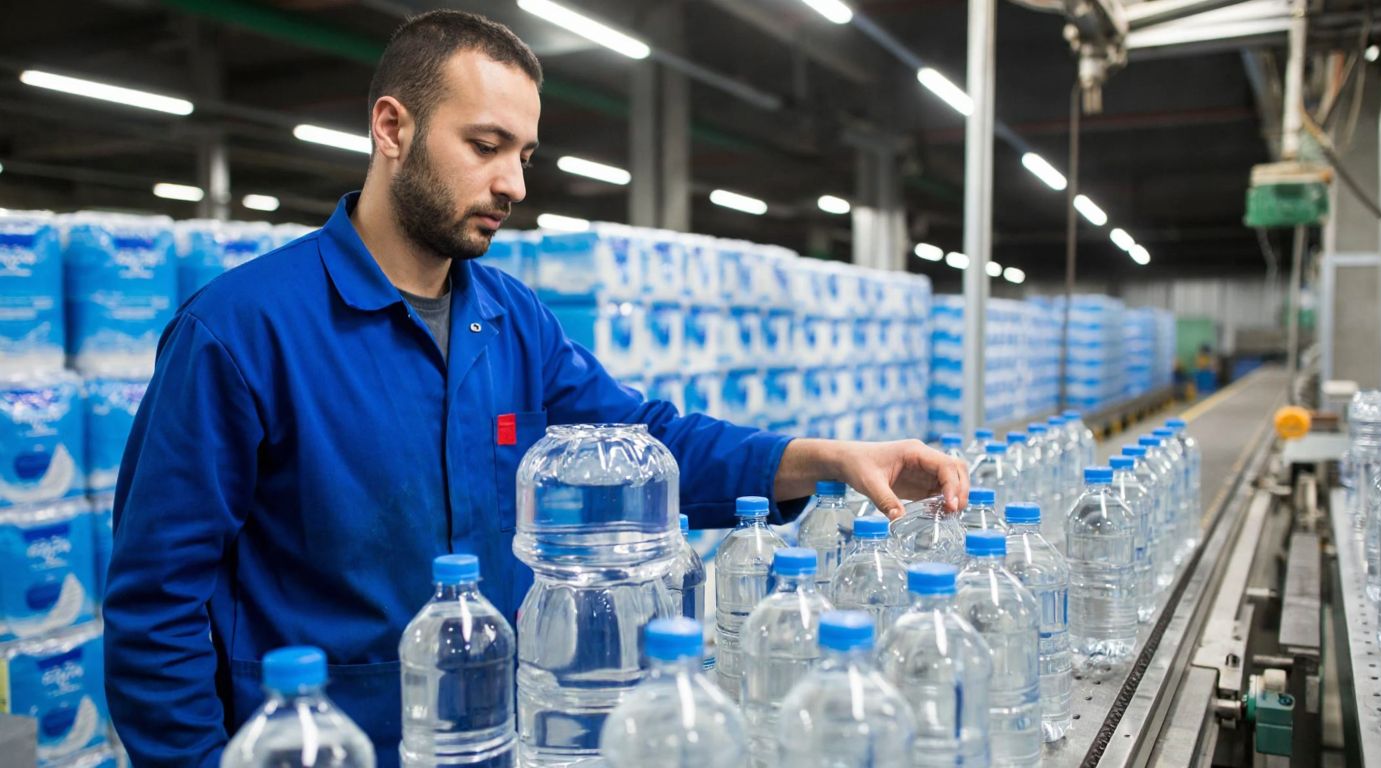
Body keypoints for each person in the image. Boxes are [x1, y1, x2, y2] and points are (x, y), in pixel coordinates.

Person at [102, 10, 968, 767]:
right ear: (391, 128)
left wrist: (822, 459)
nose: (515, 183)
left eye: (523, 153)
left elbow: (641, 443)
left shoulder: (510, 320)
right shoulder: (243, 333)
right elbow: (155, 607)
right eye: (485, 147)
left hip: (496, 735)